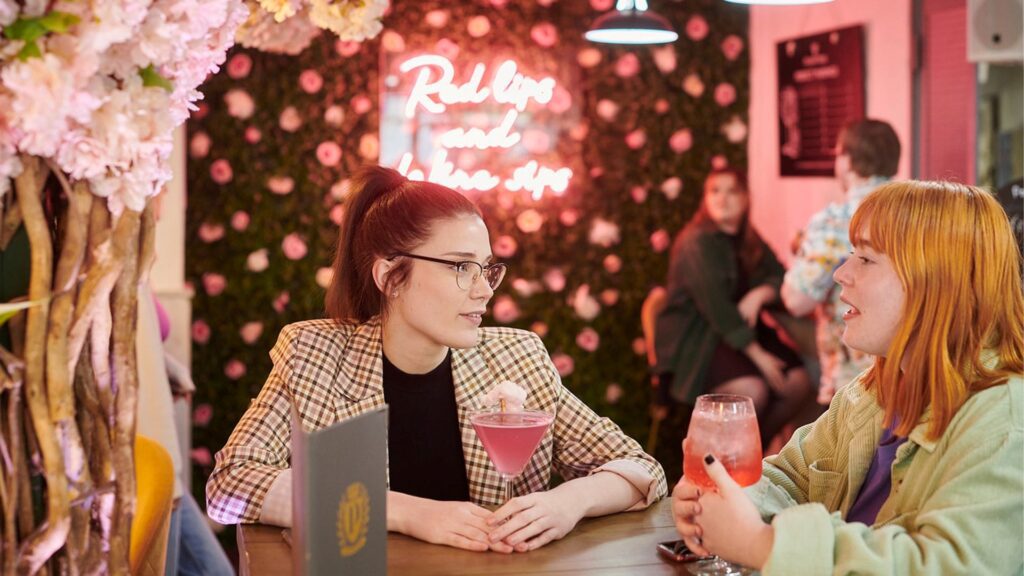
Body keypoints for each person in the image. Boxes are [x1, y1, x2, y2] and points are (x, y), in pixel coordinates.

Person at [206, 166, 667, 553]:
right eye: (461, 267)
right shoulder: (313, 355)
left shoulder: (515, 356)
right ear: (391, 275)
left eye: (486, 268)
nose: (484, 289)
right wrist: (407, 512)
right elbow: (229, 485)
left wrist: (571, 500)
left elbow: (641, 468)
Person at [672, 181, 1024, 575]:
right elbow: (789, 479)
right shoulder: (873, 390)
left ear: (938, 281)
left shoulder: (1005, 424)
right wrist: (722, 498)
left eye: (866, 260)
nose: (841, 273)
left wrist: (762, 544)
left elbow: (947, 567)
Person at [652, 168, 812, 481]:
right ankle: (724, 469)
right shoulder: (696, 242)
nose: (723, 199)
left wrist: (759, 294)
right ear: (705, 200)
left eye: (732, 191)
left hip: (735, 330)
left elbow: (780, 276)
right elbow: (717, 309)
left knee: (798, 381)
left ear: (745, 198)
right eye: (715, 191)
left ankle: (746, 455)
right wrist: (761, 359)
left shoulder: (746, 237)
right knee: (751, 389)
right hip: (699, 337)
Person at [782, 119, 900, 405]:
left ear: (845, 161)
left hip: (856, 377)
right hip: (910, 366)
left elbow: (798, 300)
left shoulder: (836, 219)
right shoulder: (914, 212)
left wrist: (800, 251)